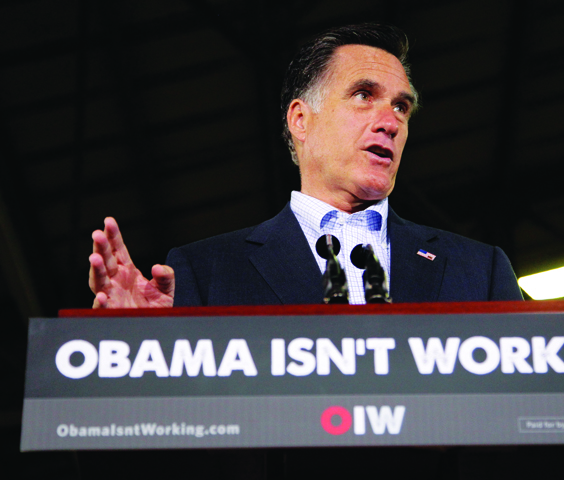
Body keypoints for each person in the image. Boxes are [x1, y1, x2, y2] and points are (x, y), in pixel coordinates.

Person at [88, 24, 522, 308]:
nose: (390, 122)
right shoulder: (206, 273)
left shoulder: (479, 270)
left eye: (401, 107)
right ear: (301, 119)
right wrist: (139, 349)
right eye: (363, 95)